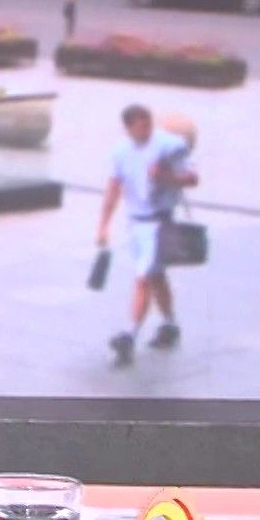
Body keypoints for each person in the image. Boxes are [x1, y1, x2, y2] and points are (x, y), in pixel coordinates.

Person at [96, 104, 199, 364]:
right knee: (156, 277)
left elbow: (191, 179)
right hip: (136, 224)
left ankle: (129, 335)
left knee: (143, 277)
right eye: (140, 126)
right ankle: (170, 324)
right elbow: (114, 187)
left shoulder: (169, 146)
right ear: (129, 128)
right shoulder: (121, 151)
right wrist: (103, 224)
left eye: (148, 124)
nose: (146, 130)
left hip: (159, 223)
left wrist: (165, 176)